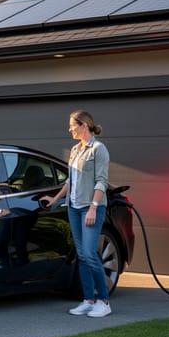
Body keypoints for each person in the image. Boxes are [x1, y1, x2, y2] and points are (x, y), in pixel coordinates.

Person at [40, 110, 112, 318]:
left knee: (90, 253)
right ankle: (88, 300)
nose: (69, 129)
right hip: (74, 207)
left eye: (72, 125)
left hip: (91, 209)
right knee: (81, 255)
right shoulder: (74, 149)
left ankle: (104, 301)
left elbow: (101, 182)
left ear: (84, 125)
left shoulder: (98, 149)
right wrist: (55, 199)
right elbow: (70, 181)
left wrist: (93, 207)